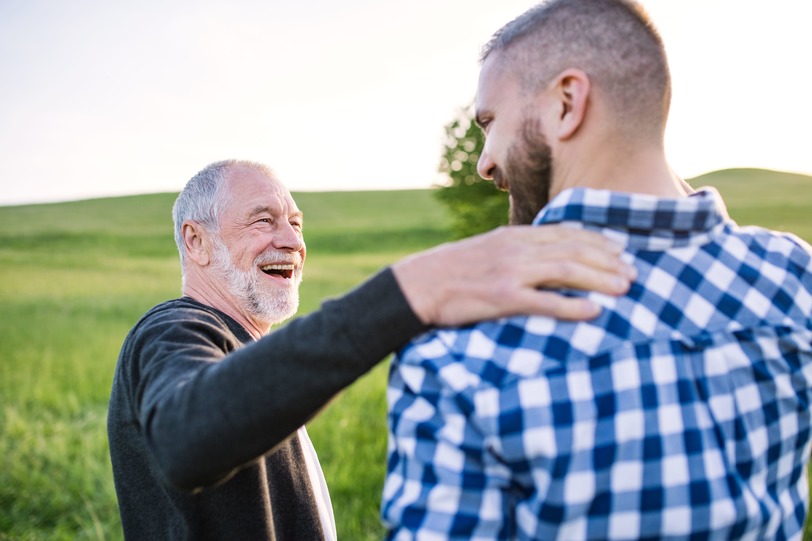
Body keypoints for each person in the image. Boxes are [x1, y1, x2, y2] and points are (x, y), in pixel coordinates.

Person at [381, 1, 812, 539]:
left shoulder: (458, 355)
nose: (484, 161)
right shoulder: (790, 278)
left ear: (567, 102)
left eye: (491, 123)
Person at [107, 159, 635, 540]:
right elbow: (185, 438)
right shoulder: (173, 328)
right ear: (195, 241)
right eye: (263, 220)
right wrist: (410, 291)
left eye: (295, 222)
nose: (291, 241)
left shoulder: (243, 350)